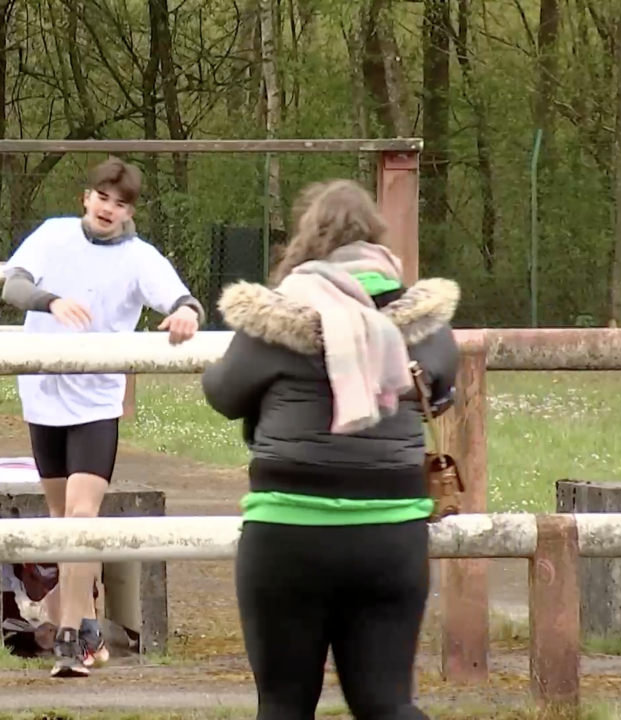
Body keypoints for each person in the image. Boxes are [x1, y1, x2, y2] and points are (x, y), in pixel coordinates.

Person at [200, 179, 460, 719]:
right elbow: (445, 392)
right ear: (376, 242)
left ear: (307, 241)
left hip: (288, 535)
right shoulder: (426, 325)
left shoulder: (272, 322)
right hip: (391, 536)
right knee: (387, 703)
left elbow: (223, 395)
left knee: (284, 705)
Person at [0, 157, 205, 678]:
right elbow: (13, 287)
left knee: (81, 518)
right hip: (44, 393)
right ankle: (89, 624)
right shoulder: (53, 236)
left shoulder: (140, 257)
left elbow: (184, 300)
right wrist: (51, 302)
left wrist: (185, 315)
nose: (110, 210)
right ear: (86, 198)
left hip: (96, 400)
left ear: (130, 211)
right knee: (61, 524)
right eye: (103, 198)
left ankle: (70, 641)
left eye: (122, 203)